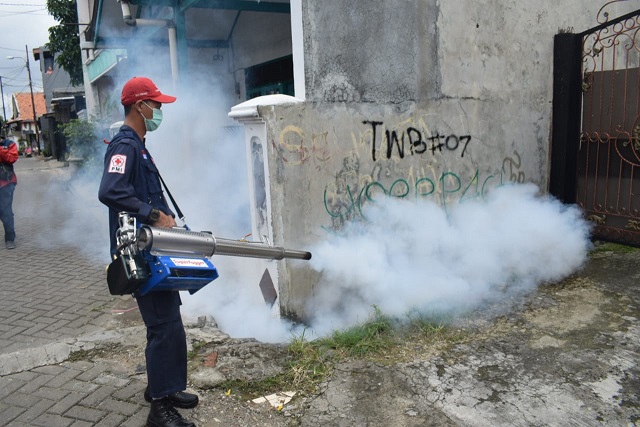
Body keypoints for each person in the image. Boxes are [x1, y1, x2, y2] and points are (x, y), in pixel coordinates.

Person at [98, 77, 198, 427]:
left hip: (153, 248)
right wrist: (154, 215)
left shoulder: (137, 144)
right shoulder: (124, 146)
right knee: (163, 326)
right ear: (139, 106)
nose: (159, 110)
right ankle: (159, 408)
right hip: (139, 252)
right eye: (155, 104)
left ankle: (166, 387)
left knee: (169, 320)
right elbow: (110, 191)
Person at [0, 133, 18, 249]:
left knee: (6, 211)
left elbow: (12, 158)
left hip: (6, 182)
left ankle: (10, 238)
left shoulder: (9, 144)